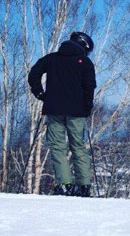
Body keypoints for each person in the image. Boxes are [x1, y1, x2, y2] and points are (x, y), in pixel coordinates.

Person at [28, 32, 97, 197]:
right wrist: (87, 108)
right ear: (85, 46)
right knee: (78, 147)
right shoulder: (85, 63)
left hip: (53, 109)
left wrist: (40, 94)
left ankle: (65, 184)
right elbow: (89, 87)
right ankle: (84, 186)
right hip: (77, 112)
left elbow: (34, 74)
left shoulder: (51, 58)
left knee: (58, 148)